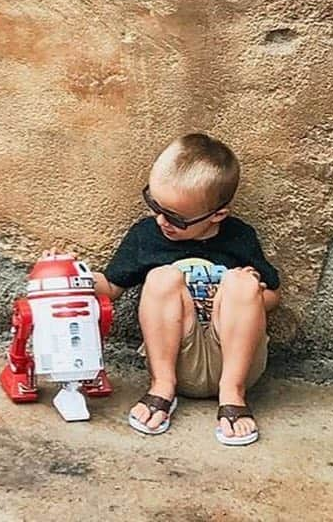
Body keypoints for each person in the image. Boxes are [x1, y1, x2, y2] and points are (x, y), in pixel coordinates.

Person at [93, 133, 280, 446]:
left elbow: (274, 296)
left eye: (177, 218)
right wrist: (73, 275)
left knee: (242, 282)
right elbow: (111, 287)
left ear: (217, 215)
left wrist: (252, 292)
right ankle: (161, 387)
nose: (162, 220)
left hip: (234, 359)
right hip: (176, 357)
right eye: (154, 205)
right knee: (161, 278)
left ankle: (232, 396)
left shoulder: (239, 237)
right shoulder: (147, 235)